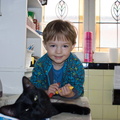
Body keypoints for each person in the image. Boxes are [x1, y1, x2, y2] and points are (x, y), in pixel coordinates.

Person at [30, 19, 84, 99]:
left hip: (68, 105)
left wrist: (70, 94)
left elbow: (78, 89)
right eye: (53, 46)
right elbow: (33, 88)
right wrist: (45, 92)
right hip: (46, 105)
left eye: (65, 46)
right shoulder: (40, 64)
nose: (58, 51)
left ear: (72, 46)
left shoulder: (76, 65)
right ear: (45, 45)